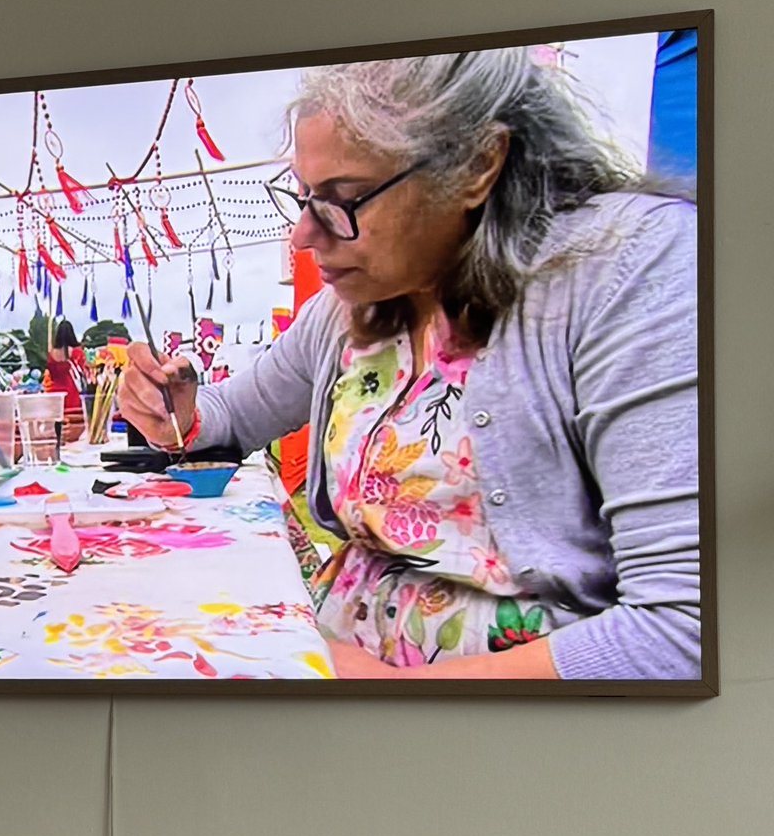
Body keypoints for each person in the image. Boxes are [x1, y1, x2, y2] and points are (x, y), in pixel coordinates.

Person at [118, 48, 700, 680]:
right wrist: (174, 411)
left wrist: (393, 694)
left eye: (344, 199)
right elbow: (226, 417)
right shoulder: (349, 311)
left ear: (478, 165)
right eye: (305, 197)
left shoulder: (627, 266)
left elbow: (682, 630)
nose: (304, 235)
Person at [46, 319, 88, 413]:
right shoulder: (77, 352)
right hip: (72, 391)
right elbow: (82, 371)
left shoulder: (51, 353)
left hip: (54, 392)